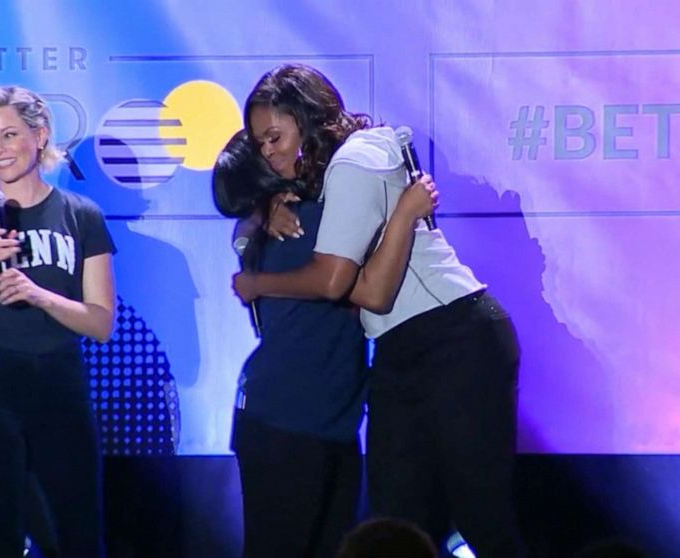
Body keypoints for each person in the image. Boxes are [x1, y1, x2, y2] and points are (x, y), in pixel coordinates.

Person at [233, 64, 525, 557]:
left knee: (481, 517)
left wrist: (255, 283)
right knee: (395, 524)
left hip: (455, 337)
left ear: (306, 119)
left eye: (275, 136)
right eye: (260, 142)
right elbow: (243, 213)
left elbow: (346, 285)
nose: (268, 152)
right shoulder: (328, 173)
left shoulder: (355, 160)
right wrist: (267, 209)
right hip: (400, 349)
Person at [214, 128, 435, 558]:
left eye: (277, 141)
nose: (280, 152)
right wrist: (405, 213)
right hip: (291, 420)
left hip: (315, 417)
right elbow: (355, 288)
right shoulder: (300, 225)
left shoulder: (278, 223)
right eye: (268, 149)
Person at [0, 85, 114, 557]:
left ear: (40, 135)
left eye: (9, 135)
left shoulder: (82, 217)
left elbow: (101, 323)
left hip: (59, 382)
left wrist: (41, 296)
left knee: (78, 537)